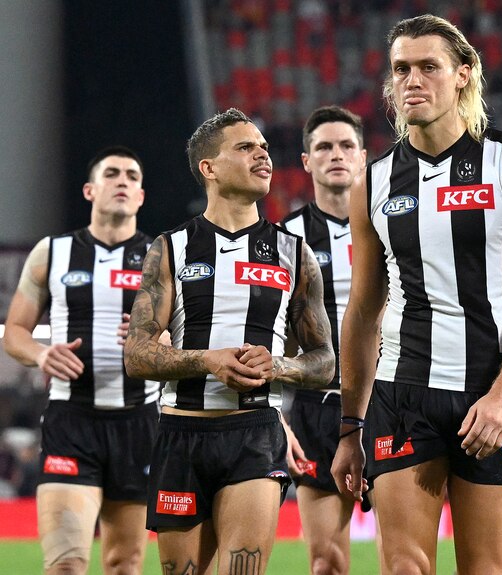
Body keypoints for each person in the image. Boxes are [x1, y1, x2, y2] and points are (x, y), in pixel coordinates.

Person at [330, 14, 502, 575]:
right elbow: (362, 311)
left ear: (463, 75)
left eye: (429, 67)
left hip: (487, 393)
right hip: (402, 393)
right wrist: (350, 427)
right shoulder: (373, 181)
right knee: (404, 567)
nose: (412, 80)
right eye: (401, 69)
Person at [123, 107, 335, 574]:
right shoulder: (170, 248)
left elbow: (324, 362)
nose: (262, 155)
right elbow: (136, 354)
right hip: (181, 433)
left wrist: (277, 366)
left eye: (263, 147)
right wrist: (208, 361)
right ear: (209, 167)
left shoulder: (294, 253)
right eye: (245, 147)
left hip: (255, 433)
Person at [3, 146, 157, 574]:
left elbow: (185, 334)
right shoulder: (51, 253)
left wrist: (155, 341)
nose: (122, 181)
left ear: (141, 196)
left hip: (139, 422)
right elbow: (14, 331)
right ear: (90, 189)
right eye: (112, 173)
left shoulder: (162, 258)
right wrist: (40, 353)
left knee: (123, 564)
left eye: (132, 175)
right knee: (65, 565)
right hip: (72, 421)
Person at [280, 105, 367, 574]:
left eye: (346, 145)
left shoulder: (392, 226)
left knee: (407, 561)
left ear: (363, 157)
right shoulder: (283, 239)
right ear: (307, 161)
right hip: (317, 408)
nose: (336, 154)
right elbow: (266, 333)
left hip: (391, 404)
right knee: (326, 562)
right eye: (324, 147)